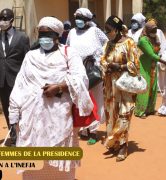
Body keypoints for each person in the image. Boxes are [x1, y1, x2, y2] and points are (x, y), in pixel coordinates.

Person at [9, 16, 93, 179]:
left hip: (59, 118)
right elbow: (20, 86)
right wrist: (14, 116)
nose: (44, 38)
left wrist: (60, 87)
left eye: (48, 35)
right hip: (32, 118)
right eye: (41, 35)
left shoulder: (69, 54)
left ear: (57, 36)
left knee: (59, 166)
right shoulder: (30, 57)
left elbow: (81, 79)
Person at [66, 7, 108, 145]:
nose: (78, 21)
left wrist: (98, 59)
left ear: (87, 20)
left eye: (81, 19)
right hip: (76, 71)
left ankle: (94, 131)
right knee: (79, 100)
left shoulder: (95, 31)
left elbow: (107, 45)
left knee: (94, 99)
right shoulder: (72, 32)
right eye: (76, 18)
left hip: (92, 71)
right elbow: (66, 48)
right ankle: (83, 129)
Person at [100, 15, 139, 161]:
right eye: (105, 29)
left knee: (124, 115)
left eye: (109, 29)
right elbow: (102, 59)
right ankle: (114, 143)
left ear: (117, 30)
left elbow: (135, 65)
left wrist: (120, 66)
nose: (107, 32)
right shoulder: (108, 44)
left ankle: (123, 146)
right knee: (111, 114)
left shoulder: (130, 43)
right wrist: (106, 67)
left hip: (125, 86)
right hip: (110, 86)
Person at [0, 8, 29, 146]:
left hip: (17, 80)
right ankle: (14, 137)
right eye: (1, 19)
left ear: (11, 20)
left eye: (5, 19)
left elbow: (27, 59)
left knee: (21, 109)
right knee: (7, 109)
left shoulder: (22, 37)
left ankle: (24, 135)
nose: (2, 22)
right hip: (2, 80)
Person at [134, 19, 166, 118]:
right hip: (145, 66)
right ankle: (140, 111)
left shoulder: (155, 37)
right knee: (144, 88)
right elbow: (151, 54)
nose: (154, 32)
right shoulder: (143, 40)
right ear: (146, 30)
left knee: (153, 87)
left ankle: (150, 109)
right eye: (152, 30)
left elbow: (158, 50)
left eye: (155, 30)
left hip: (153, 66)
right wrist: (164, 62)